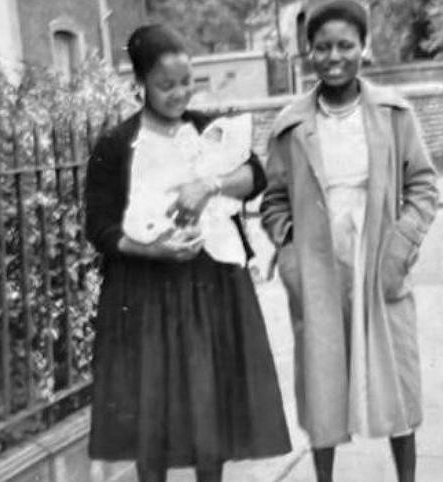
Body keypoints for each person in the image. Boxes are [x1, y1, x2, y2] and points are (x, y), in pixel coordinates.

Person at [84, 24, 291, 482]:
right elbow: (97, 227)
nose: (179, 94)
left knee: (207, 408)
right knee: (151, 410)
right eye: (165, 85)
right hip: (144, 294)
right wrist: (150, 248)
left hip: (209, 288)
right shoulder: (116, 147)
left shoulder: (206, 130)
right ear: (139, 84)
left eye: (186, 82)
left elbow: (255, 175)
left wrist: (209, 184)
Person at [259, 2, 438, 481]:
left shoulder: (393, 114)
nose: (333, 57)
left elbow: (423, 183)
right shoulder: (291, 126)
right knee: (324, 389)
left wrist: (401, 246)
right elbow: (273, 200)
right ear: (307, 52)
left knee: (395, 380)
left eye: (345, 45)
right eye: (322, 47)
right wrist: (292, 253)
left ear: (364, 48)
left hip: (379, 258)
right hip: (320, 266)